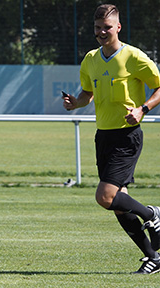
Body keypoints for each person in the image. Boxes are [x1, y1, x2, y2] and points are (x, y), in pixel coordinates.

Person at [62, 4, 160, 274]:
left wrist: (143, 109)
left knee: (105, 197)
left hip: (127, 135)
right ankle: (153, 256)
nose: (102, 32)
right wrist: (74, 104)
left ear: (118, 27)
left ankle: (153, 214)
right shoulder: (90, 59)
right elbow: (87, 94)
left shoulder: (133, 56)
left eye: (107, 27)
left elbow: (159, 86)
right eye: (97, 28)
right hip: (103, 135)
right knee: (119, 203)